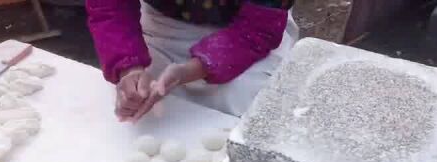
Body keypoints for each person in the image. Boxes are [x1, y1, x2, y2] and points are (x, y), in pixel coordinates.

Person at [86, 0, 298, 121]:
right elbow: (109, 7)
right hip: (164, 24)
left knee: (252, 111)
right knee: (141, 110)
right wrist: (129, 67)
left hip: (247, 26)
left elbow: (258, 29)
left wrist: (191, 71)